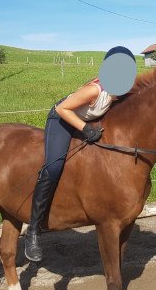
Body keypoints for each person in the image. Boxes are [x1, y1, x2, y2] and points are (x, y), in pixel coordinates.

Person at [24, 46, 137, 262]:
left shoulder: (122, 90)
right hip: (62, 119)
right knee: (54, 166)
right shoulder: (94, 90)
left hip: (85, 120)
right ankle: (33, 230)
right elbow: (63, 109)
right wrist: (85, 129)